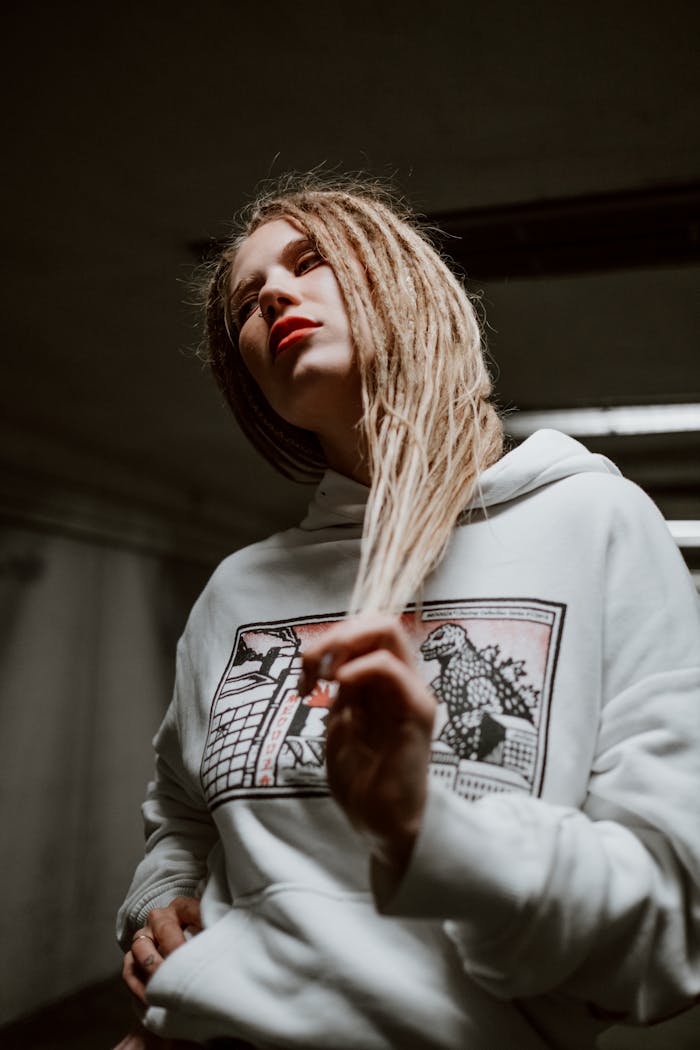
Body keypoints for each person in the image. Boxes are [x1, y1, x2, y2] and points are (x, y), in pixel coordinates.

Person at [116, 176, 700, 1049]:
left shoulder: (595, 524)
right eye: (245, 302)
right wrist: (161, 898)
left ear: (398, 280)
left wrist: (427, 828)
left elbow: (670, 924)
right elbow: (182, 813)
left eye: (310, 260)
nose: (271, 296)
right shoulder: (237, 588)